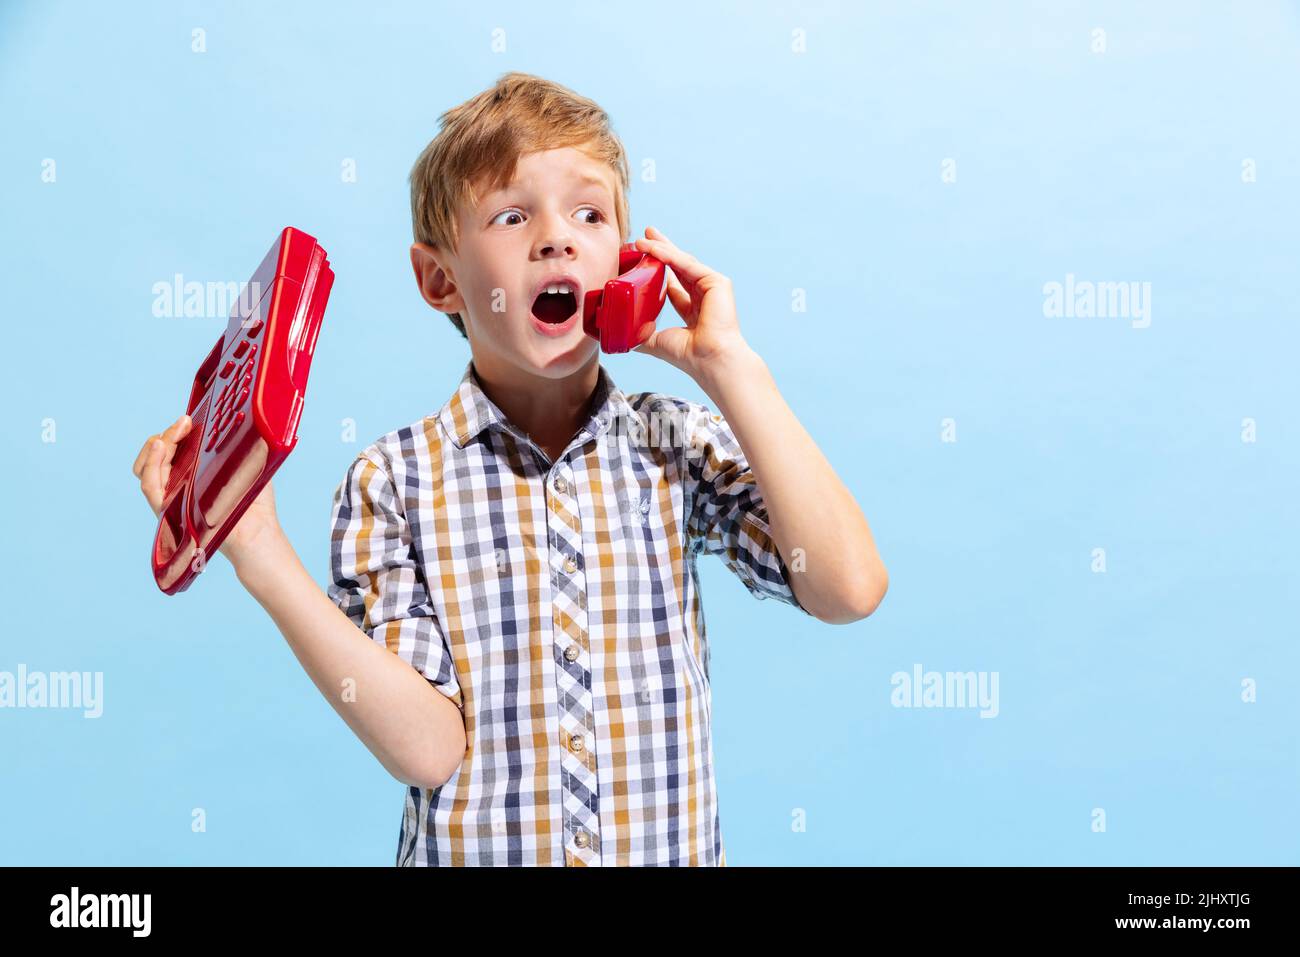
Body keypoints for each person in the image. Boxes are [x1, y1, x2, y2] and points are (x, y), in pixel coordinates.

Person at [132, 72, 887, 866]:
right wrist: (260, 553)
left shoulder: (675, 441)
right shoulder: (392, 481)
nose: (558, 237)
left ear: (630, 263)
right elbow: (426, 749)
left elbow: (848, 587)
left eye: (589, 214)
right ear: (440, 279)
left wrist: (731, 366)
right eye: (512, 214)